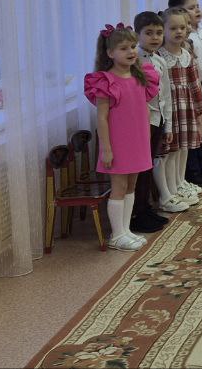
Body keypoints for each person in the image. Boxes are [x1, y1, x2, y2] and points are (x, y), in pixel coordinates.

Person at [85, 23, 160, 251]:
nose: (131, 52)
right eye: (124, 48)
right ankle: (116, 235)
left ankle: (126, 230)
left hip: (137, 141)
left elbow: (142, 109)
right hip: (118, 144)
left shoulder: (140, 76)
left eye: (133, 47)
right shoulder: (105, 81)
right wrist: (106, 149)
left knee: (131, 185)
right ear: (110, 53)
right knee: (119, 186)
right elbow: (102, 118)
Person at [158, 7, 202, 206]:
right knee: (171, 151)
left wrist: (199, 105)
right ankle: (170, 190)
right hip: (170, 110)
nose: (179, 31)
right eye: (173, 28)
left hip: (185, 107)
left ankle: (180, 183)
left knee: (183, 148)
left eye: (182, 27)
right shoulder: (160, 56)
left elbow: (195, 83)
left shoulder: (186, 54)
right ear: (163, 30)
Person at [134, 11, 184, 214]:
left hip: (158, 119)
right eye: (149, 33)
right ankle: (139, 210)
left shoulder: (160, 60)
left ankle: (147, 207)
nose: (155, 37)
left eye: (158, 33)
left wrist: (168, 125)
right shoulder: (134, 60)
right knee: (141, 167)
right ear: (137, 35)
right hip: (141, 122)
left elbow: (166, 96)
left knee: (150, 163)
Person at [169, 0, 202, 187]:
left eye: (197, 6)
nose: (197, 10)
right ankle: (193, 170)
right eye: (191, 8)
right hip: (193, 90)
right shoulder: (184, 39)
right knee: (193, 131)